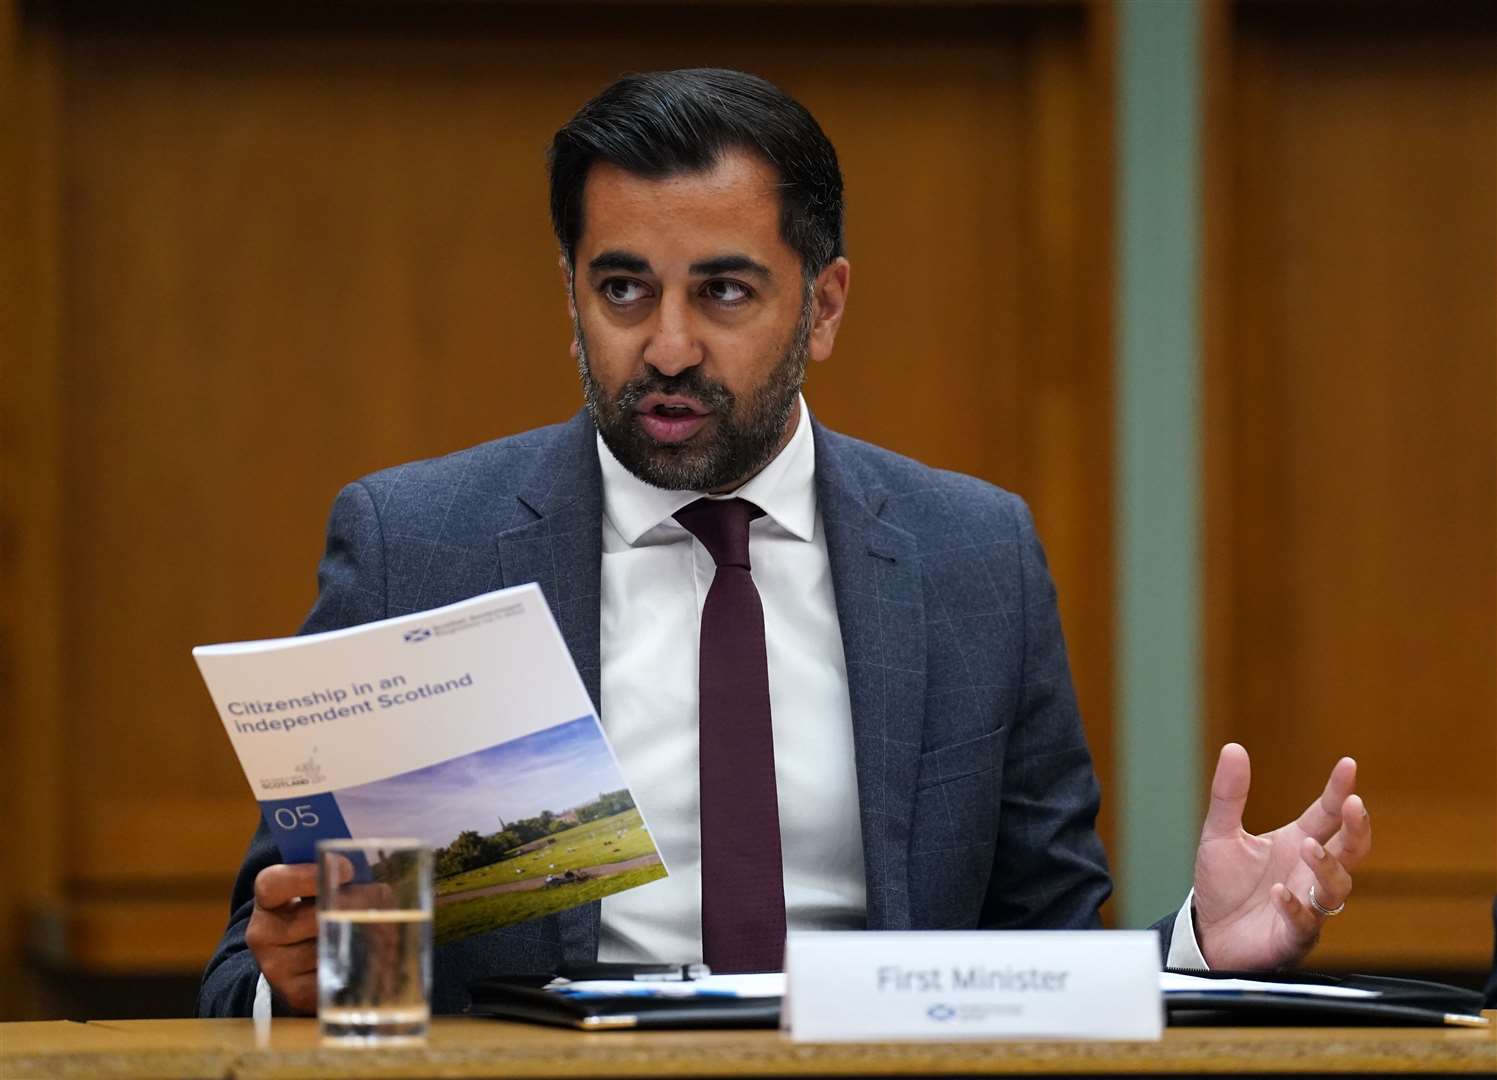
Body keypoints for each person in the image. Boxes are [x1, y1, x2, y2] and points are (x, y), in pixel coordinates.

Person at [198, 69, 1372, 1018]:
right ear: (570, 296)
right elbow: (283, 958)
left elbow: (1045, 955)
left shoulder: (974, 559)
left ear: (825, 304)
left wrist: (1201, 948)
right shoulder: (422, 546)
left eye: (723, 293)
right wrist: (295, 983)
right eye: (621, 290)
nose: (664, 347)